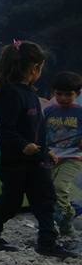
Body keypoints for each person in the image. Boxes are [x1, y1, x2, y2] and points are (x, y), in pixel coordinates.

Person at [0, 40, 79, 258]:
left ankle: (47, 242)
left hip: (36, 160)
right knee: (11, 200)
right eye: (41, 68)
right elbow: (5, 130)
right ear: (34, 68)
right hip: (15, 160)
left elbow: (37, 129)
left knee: (45, 198)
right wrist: (24, 145)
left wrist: (45, 151)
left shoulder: (30, 93)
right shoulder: (11, 94)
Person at [44, 71, 82, 238]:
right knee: (50, 191)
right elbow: (40, 131)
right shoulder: (49, 110)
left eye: (68, 94)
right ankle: (62, 223)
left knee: (60, 187)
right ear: (53, 92)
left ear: (78, 94)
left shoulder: (79, 112)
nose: (63, 98)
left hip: (73, 157)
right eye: (59, 94)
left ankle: (68, 215)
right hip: (51, 156)